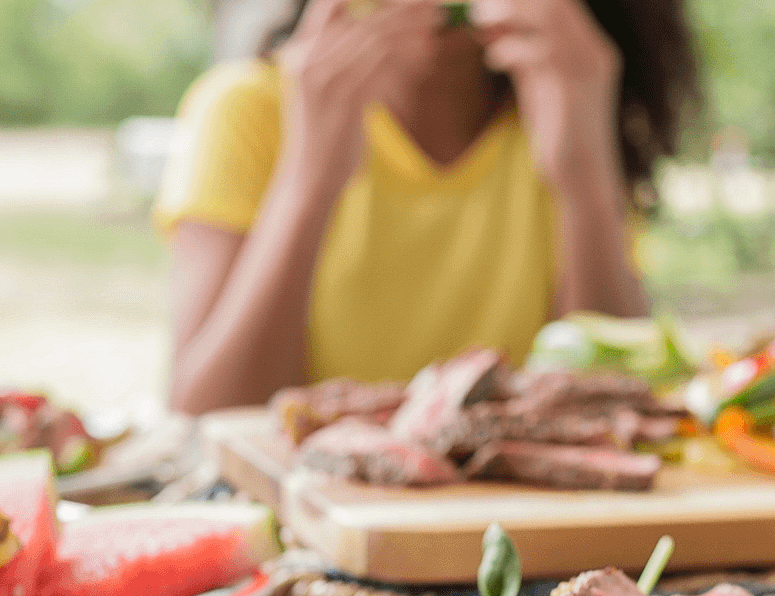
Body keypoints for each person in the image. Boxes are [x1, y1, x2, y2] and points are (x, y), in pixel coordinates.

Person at [155, 0, 696, 413]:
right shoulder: (247, 110)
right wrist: (308, 181)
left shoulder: (566, 106)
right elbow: (203, 418)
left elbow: (622, 404)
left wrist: (584, 175)